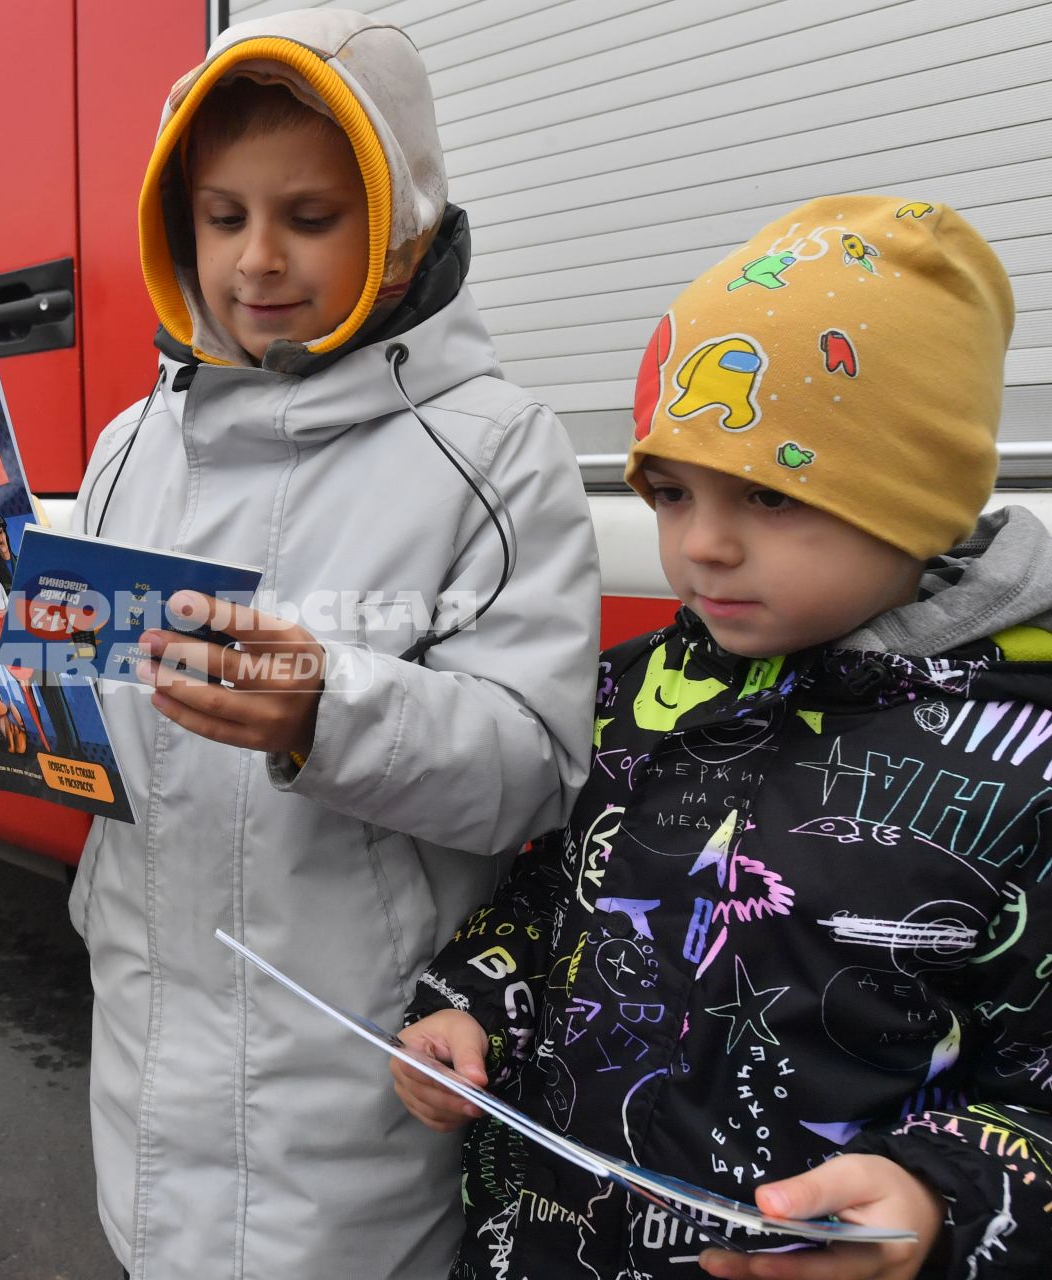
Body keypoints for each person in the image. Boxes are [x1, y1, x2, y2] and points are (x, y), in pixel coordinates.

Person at [0, 12, 600, 1277]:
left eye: (312, 217)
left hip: (358, 1077)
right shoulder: (126, 446)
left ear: (405, 224)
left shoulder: (493, 449)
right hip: (150, 1064)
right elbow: (73, 723)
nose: (258, 259)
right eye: (221, 217)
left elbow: (533, 761)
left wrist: (330, 709)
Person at [394, 196, 1052, 1280]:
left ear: (920, 494)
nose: (701, 545)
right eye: (670, 489)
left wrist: (935, 1198)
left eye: (770, 493)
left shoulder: (1019, 759)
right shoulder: (635, 690)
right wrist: (473, 1004)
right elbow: (550, 892)